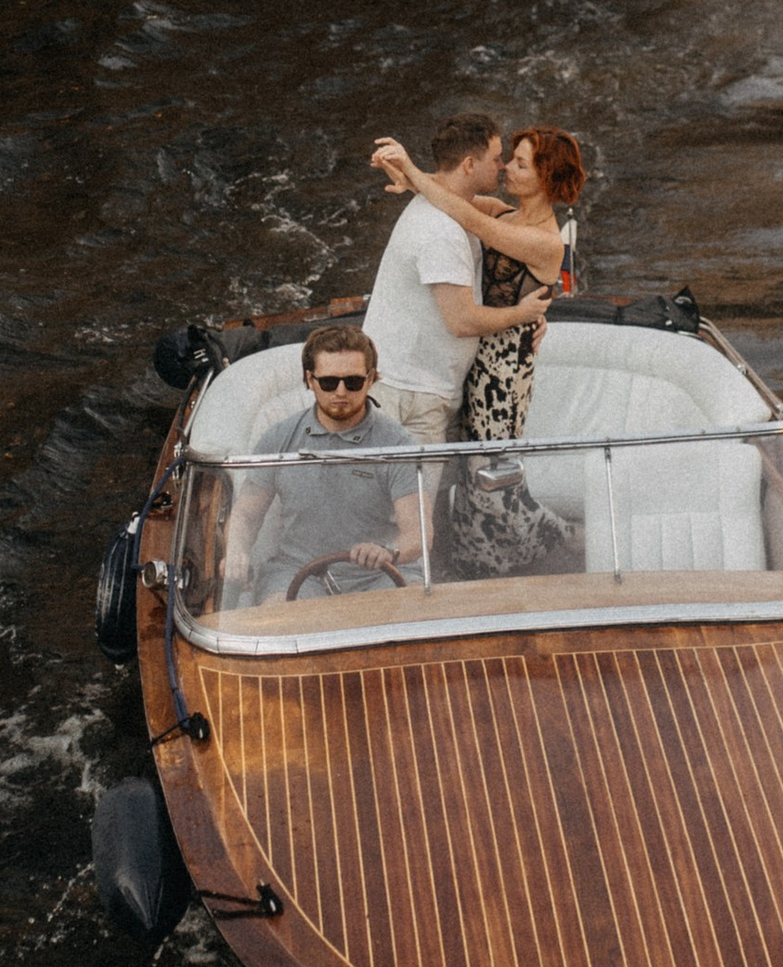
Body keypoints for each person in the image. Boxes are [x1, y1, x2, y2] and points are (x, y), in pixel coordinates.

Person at [369, 124, 586, 579]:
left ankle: (554, 545)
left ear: (545, 178)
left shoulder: (545, 240)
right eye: (505, 157)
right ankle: (465, 559)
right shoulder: (503, 214)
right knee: (471, 474)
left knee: (490, 477)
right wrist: (413, 179)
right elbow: (456, 200)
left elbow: (465, 218)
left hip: (504, 370)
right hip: (475, 361)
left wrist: (411, 168)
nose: (506, 165)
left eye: (520, 163)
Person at [360, 110, 554, 448]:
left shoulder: (459, 210)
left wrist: (413, 176)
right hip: (414, 390)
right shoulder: (443, 230)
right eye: (496, 158)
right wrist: (521, 316)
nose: (502, 166)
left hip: (438, 384)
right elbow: (462, 321)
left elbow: (465, 210)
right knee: (415, 498)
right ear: (468, 164)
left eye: (516, 163)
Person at [229, 329, 423, 605]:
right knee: (279, 622)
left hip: (380, 574)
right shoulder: (279, 438)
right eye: (329, 382)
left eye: (353, 382)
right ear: (310, 380)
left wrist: (387, 551)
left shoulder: (399, 443)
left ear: (370, 379)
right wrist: (236, 552)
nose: (341, 392)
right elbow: (246, 515)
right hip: (298, 572)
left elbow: (418, 533)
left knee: (415, 617)